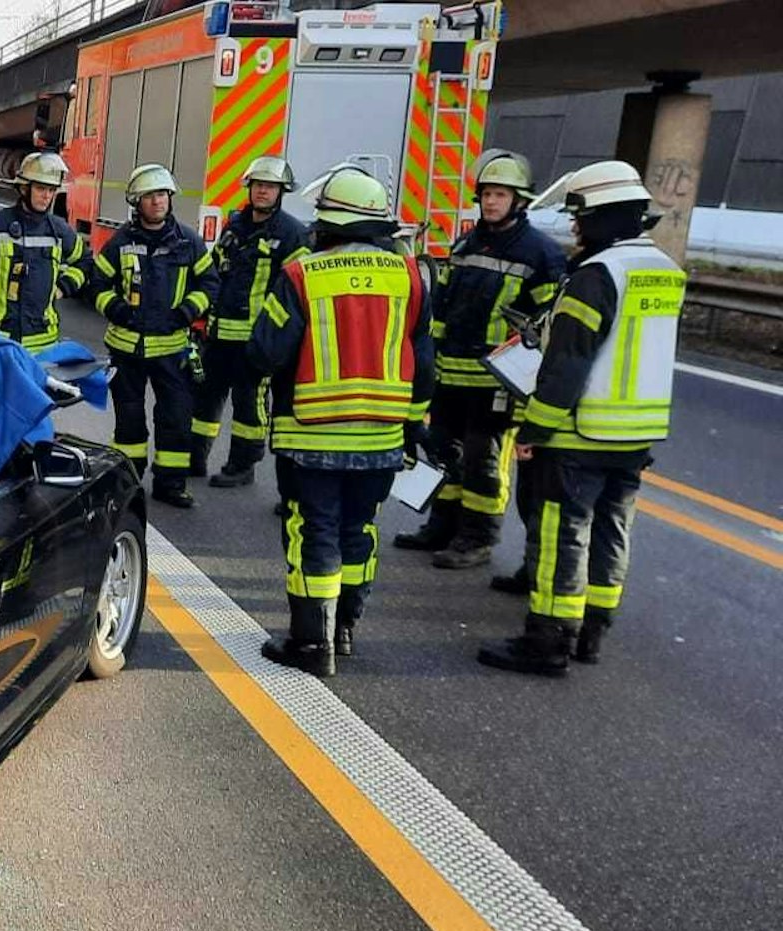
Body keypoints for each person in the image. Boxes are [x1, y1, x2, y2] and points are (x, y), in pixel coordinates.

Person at [478, 160, 684, 675]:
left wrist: (535, 429)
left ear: (601, 217)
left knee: (561, 536)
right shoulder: (664, 270)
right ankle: (592, 632)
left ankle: (547, 642)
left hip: (579, 433)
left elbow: (567, 363)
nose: (574, 228)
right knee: (613, 530)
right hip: (636, 432)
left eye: (579, 218)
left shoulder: (597, 275)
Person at [248, 166, 434, 676]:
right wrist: (413, 426)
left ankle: (312, 643)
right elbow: (423, 361)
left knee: (314, 531)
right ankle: (344, 630)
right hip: (383, 436)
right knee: (359, 530)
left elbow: (264, 352)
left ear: (328, 221)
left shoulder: (301, 274)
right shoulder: (410, 275)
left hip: (311, 434)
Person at [395, 150, 567, 569]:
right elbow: (443, 305)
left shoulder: (541, 254)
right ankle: (442, 526)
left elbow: (547, 324)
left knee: (483, 461)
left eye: (500, 195)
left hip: (497, 383)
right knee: (443, 451)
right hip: (451, 373)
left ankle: (477, 538)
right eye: (487, 194)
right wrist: (429, 358)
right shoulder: (466, 243)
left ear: (519, 200)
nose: (491, 202)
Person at [84, 163, 214, 507]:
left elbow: (210, 283)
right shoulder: (121, 243)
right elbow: (97, 283)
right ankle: (128, 482)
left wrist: (188, 310)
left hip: (173, 350)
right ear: (136, 202)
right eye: (149, 196)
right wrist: (116, 308)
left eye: (162, 194)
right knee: (129, 423)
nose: (157, 202)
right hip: (127, 350)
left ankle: (170, 485)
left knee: (176, 419)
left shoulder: (189, 242)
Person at [189, 155, 308, 488]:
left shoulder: (292, 235)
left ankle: (242, 465)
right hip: (219, 335)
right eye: (258, 185)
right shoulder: (235, 227)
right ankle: (195, 457)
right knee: (206, 396)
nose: (263, 191)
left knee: (248, 404)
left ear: (281, 192)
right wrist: (201, 317)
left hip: (256, 339)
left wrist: (275, 338)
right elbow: (215, 272)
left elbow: (295, 291)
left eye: (270, 186)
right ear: (249, 188)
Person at [0, 151, 86, 350]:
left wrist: (64, 287)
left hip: (44, 344)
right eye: (40, 188)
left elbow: (85, 260)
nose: (47, 196)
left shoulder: (59, 230)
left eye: (51, 190)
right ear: (24, 188)